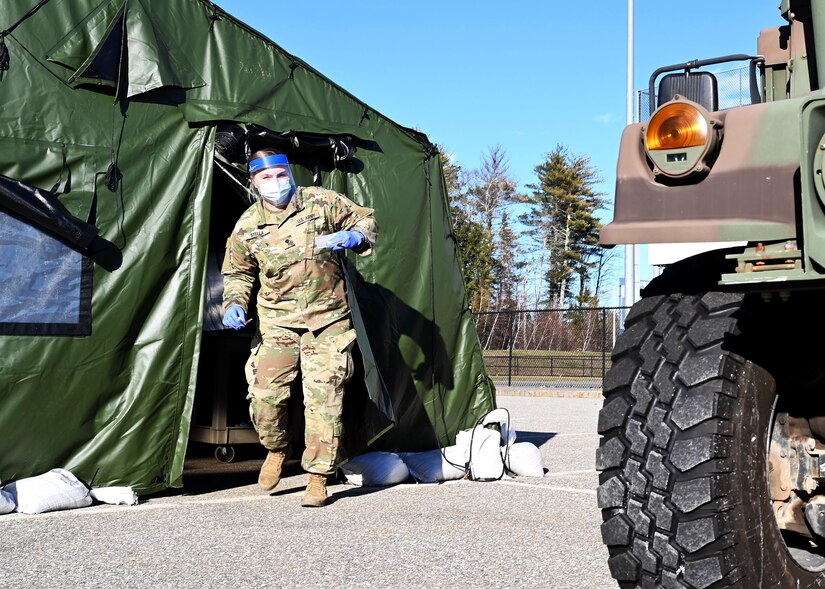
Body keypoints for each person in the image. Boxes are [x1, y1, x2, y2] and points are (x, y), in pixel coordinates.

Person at [221, 149, 377, 507]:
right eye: (266, 177)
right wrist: (233, 303)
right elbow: (238, 273)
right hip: (277, 321)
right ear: (254, 182)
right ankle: (277, 448)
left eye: (280, 175)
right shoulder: (247, 225)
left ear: (289, 174)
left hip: (328, 320)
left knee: (325, 401)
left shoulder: (320, 202)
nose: (275, 182)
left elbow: (365, 219)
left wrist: (357, 236)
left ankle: (318, 477)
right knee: (265, 398)